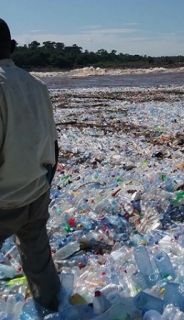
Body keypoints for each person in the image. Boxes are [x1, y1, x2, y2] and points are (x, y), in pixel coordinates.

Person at [0, 18, 60, 311]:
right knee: (38, 258)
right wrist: (44, 184)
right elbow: (53, 144)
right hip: (36, 190)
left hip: (4, 199)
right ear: (11, 48)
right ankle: (51, 307)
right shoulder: (37, 85)